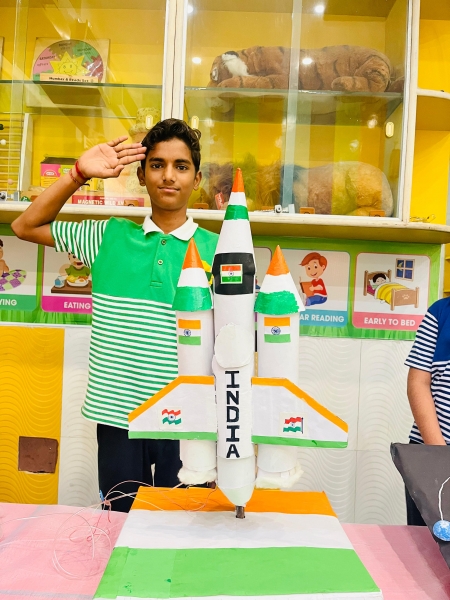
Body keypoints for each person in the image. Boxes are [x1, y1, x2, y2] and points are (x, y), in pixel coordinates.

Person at [12, 119, 219, 511]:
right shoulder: (107, 236)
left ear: (197, 179)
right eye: (156, 165)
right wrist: (78, 173)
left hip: (189, 419)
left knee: (186, 528)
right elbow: (25, 225)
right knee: (120, 524)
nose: (168, 175)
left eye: (181, 166)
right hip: (117, 417)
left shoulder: (220, 250)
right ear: (140, 176)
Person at [404, 297, 450, 525]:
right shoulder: (441, 312)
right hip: (431, 453)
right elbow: (418, 383)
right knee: (427, 540)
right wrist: (440, 457)